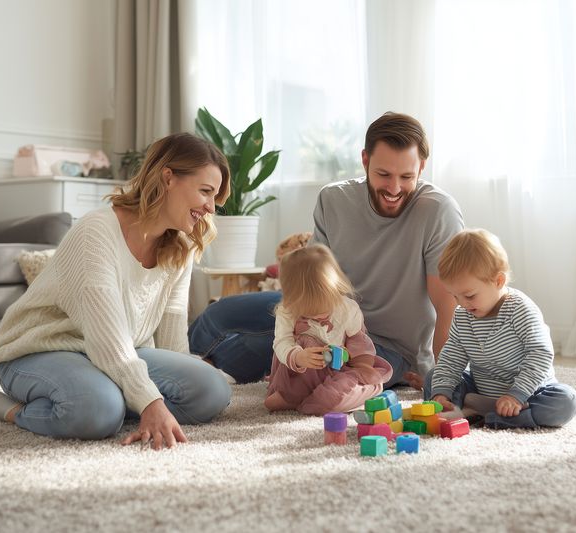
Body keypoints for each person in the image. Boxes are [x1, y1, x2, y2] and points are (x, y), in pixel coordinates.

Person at [0, 133, 233, 450]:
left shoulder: (180, 247)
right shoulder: (97, 230)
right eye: (205, 192)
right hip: (39, 349)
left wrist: (175, 384)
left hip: (116, 352)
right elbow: (105, 336)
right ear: (168, 178)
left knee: (212, 391)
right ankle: (8, 409)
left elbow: (171, 339)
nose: (210, 207)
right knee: (96, 412)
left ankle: (112, 395)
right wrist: (151, 402)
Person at [189, 112, 464, 388]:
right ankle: (176, 360)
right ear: (365, 160)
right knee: (219, 313)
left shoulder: (438, 211)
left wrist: (443, 382)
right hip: (322, 314)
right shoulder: (334, 199)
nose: (394, 188)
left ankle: (203, 373)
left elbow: (447, 307)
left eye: (407, 176)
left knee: (264, 349)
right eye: (383, 174)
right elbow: (311, 279)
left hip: (388, 348)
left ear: (422, 167)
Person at [425, 228, 576, 429]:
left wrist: (516, 395)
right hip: (481, 390)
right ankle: (458, 408)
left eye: (469, 296)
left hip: (526, 394)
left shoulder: (521, 310)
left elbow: (540, 354)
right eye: (455, 296)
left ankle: (494, 418)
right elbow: (452, 356)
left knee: (566, 401)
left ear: (498, 281)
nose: (461, 304)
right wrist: (441, 393)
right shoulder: (463, 315)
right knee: (434, 378)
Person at [265, 244, 392, 415]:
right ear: (291, 298)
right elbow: (281, 342)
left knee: (371, 382)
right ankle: (293, 397)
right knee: (305, 342)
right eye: (307, 309)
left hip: (337, 371)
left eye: (323, 307)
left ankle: (329, 397)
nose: (317, 316)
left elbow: (358, 341)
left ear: (333, 289)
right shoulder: (287, 311)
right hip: (299, 375)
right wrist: (299, 356)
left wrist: (361, 367)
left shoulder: (347, 308)